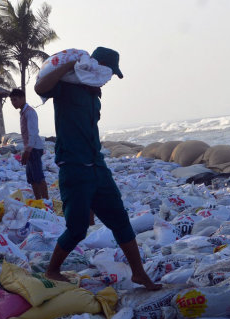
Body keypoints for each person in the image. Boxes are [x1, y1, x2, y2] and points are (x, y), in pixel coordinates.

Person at [34, 47, 161, 290]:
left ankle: (139, 273)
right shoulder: (66, 87)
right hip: (74, 167)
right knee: (77, 229)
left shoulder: (95, 94)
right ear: (99, 66)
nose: (110, 78)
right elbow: (40, 88)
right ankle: (52, 270)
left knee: (121, 221)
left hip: (97, 166)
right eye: (110, 72)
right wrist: (69, 67)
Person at [9, 89, 49, 200]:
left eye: (15, 100)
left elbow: (33, 133)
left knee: (38, 177)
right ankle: (38, 201)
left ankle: (47, 203)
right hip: (30, 148)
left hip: (34, 148)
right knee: (31, 178)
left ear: (23, 98)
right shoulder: (23, 112)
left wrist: (27, 151)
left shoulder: (29, 112)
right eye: (11, 100)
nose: (13, 103)